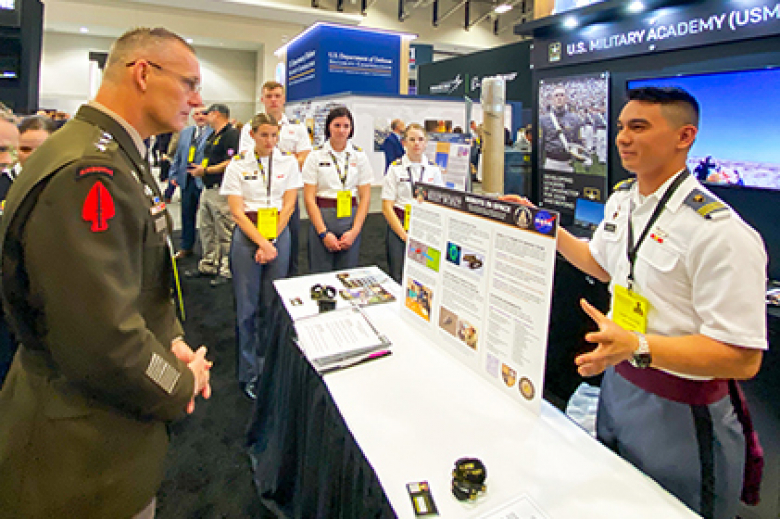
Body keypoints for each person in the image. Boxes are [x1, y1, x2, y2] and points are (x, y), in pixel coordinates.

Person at [503, 87, 766, 519]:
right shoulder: (624, 201)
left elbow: (741, 358)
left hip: (683, 409)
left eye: (639, 127)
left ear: (685, 137)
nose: (623, 138)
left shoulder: (721, 233)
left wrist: (640, 346)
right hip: (620, 386)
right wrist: (542, 225)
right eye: (622, 127)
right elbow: (601, 264)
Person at [0, 28, 214, 518]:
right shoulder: (90, 170)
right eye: (189, 83)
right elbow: (104, 339)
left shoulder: (113, 154)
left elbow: (139, 283)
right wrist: (178, 381)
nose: (197, 100)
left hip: (98, 431)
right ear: (143, 73)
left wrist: (172, 340)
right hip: (78, 454)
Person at [222, 113, 301, 400]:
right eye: (264, 135)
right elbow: (236, 212)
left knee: (273, 305)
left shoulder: (288, 162)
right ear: (253, 135)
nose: (269, 141)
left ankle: (271, 368)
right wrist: (260, 242)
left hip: (278, 235)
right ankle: (249, 373)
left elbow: (290, 205)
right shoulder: (237, 165)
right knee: (247, 307)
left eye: (274, 135)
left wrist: (271, 241)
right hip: (247, 238)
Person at [239, 81, 311, 276]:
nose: (273, 100)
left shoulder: (297, 128)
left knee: (291, 241)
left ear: (284, 99)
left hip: (286, 194)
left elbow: (305, 155)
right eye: (269, 96)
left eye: (277, 96)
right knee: (255, 240)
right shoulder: (248, 129)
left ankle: (289, 280)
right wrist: (284, 162)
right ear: (262, 99)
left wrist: (282, 166)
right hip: (257, 195)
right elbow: (247, 158)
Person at [303, 106, 372, 273]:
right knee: (320, 273)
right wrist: (323, 233)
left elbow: (365, 197)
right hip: (322, 217)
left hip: (350, 218)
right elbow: (309, 198)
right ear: (329, 127)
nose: (342, 130)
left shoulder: (359, 156)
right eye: (337, 125)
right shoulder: (315, 156)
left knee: (347, 274)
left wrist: (355, 231)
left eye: (346, 126)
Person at [381, 123, 444, 283]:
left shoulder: (433, 170)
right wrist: (403, 234)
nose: (417, 143)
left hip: (425, 226)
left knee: (425, 275)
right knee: (399, 275)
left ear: (426, 143)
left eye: (421, 139)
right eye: (412, 139)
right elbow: (387, 206)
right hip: (400, 226)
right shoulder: (395, 169)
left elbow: (440, 203)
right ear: (404, 143)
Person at [185, 103, 239, 286]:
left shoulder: (231, 135)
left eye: (207, 114)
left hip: (221, 188)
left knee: (225, 230)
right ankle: (208, 264)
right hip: (207, 188)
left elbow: (232, 161)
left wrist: (207, 170)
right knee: (207, 229)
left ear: (216, 114)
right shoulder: (212, 136)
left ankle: (227, 268)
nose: (204, 117)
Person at [169, 105, 212, 259]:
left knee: (208, 219)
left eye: (203, 114)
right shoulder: (186, 133)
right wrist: (173, 174)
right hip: (186, 180)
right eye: (197, 114)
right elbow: (178, 156)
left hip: (205, 180)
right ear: (193, 116)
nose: (200, 116)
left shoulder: (214, 133)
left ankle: (209, 252)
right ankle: (186, 246)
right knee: (187, 214)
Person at [539, 84, 584, 172]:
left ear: (566, 98)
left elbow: (578, 141)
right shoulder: (543, 120)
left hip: (568, 163)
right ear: (552, 99)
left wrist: (581, 158)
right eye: (556, 95)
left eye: (562, 95)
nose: (559, 98)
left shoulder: (575, 119)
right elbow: (540, 143)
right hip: (551, 162)